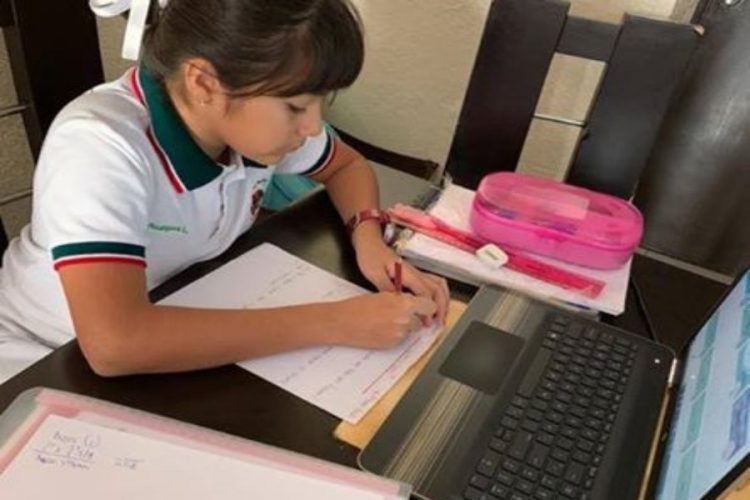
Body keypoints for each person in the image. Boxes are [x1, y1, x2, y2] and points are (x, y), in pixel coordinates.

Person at [0, 0, 449, 382]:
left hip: (172, 318)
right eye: (296, 106)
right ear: (204, 84)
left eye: (320, 102)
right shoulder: (100, 146)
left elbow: (347, 166)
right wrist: (336, 321)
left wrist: (369, 240)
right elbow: (115, 344)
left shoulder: (250, 131)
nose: (313, 127)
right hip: (40, 355)